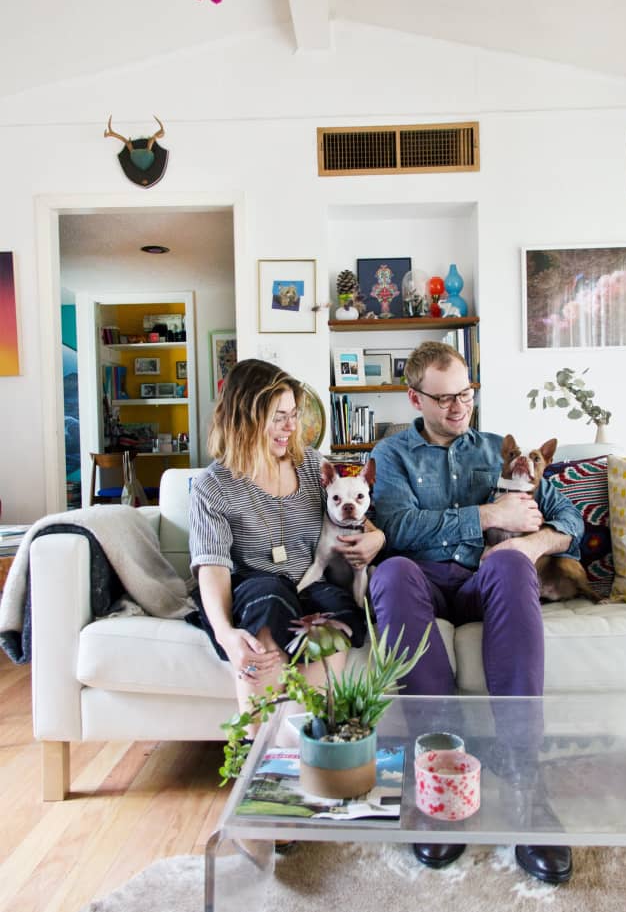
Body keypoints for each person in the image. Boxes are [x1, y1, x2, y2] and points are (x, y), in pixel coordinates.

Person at [369, 341, 583, 884]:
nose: (458, 407)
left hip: (487, 577)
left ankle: (527, 780)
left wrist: (532, 546)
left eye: (465, 393)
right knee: (389, 573)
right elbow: (397, 529)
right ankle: (440, 767)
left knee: (513, 567)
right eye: (443, 398)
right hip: (421, 578)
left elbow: (569, 518)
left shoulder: (497, 450)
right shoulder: (391, 456)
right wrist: (487, 513)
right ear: (414, 397)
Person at [188, 358, 385, 722]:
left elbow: (352, 511)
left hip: (311, 586)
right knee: (269, 599)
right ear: (245, 417)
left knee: (334, 613)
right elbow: (211, 567)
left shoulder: (311, 467)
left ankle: (313, 744)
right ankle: (255, 748)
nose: (291, 427)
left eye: (294, 414)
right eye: (279, 416)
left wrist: (378, 537)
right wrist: (225, 633)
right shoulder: (211, 486)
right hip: (253, 588)